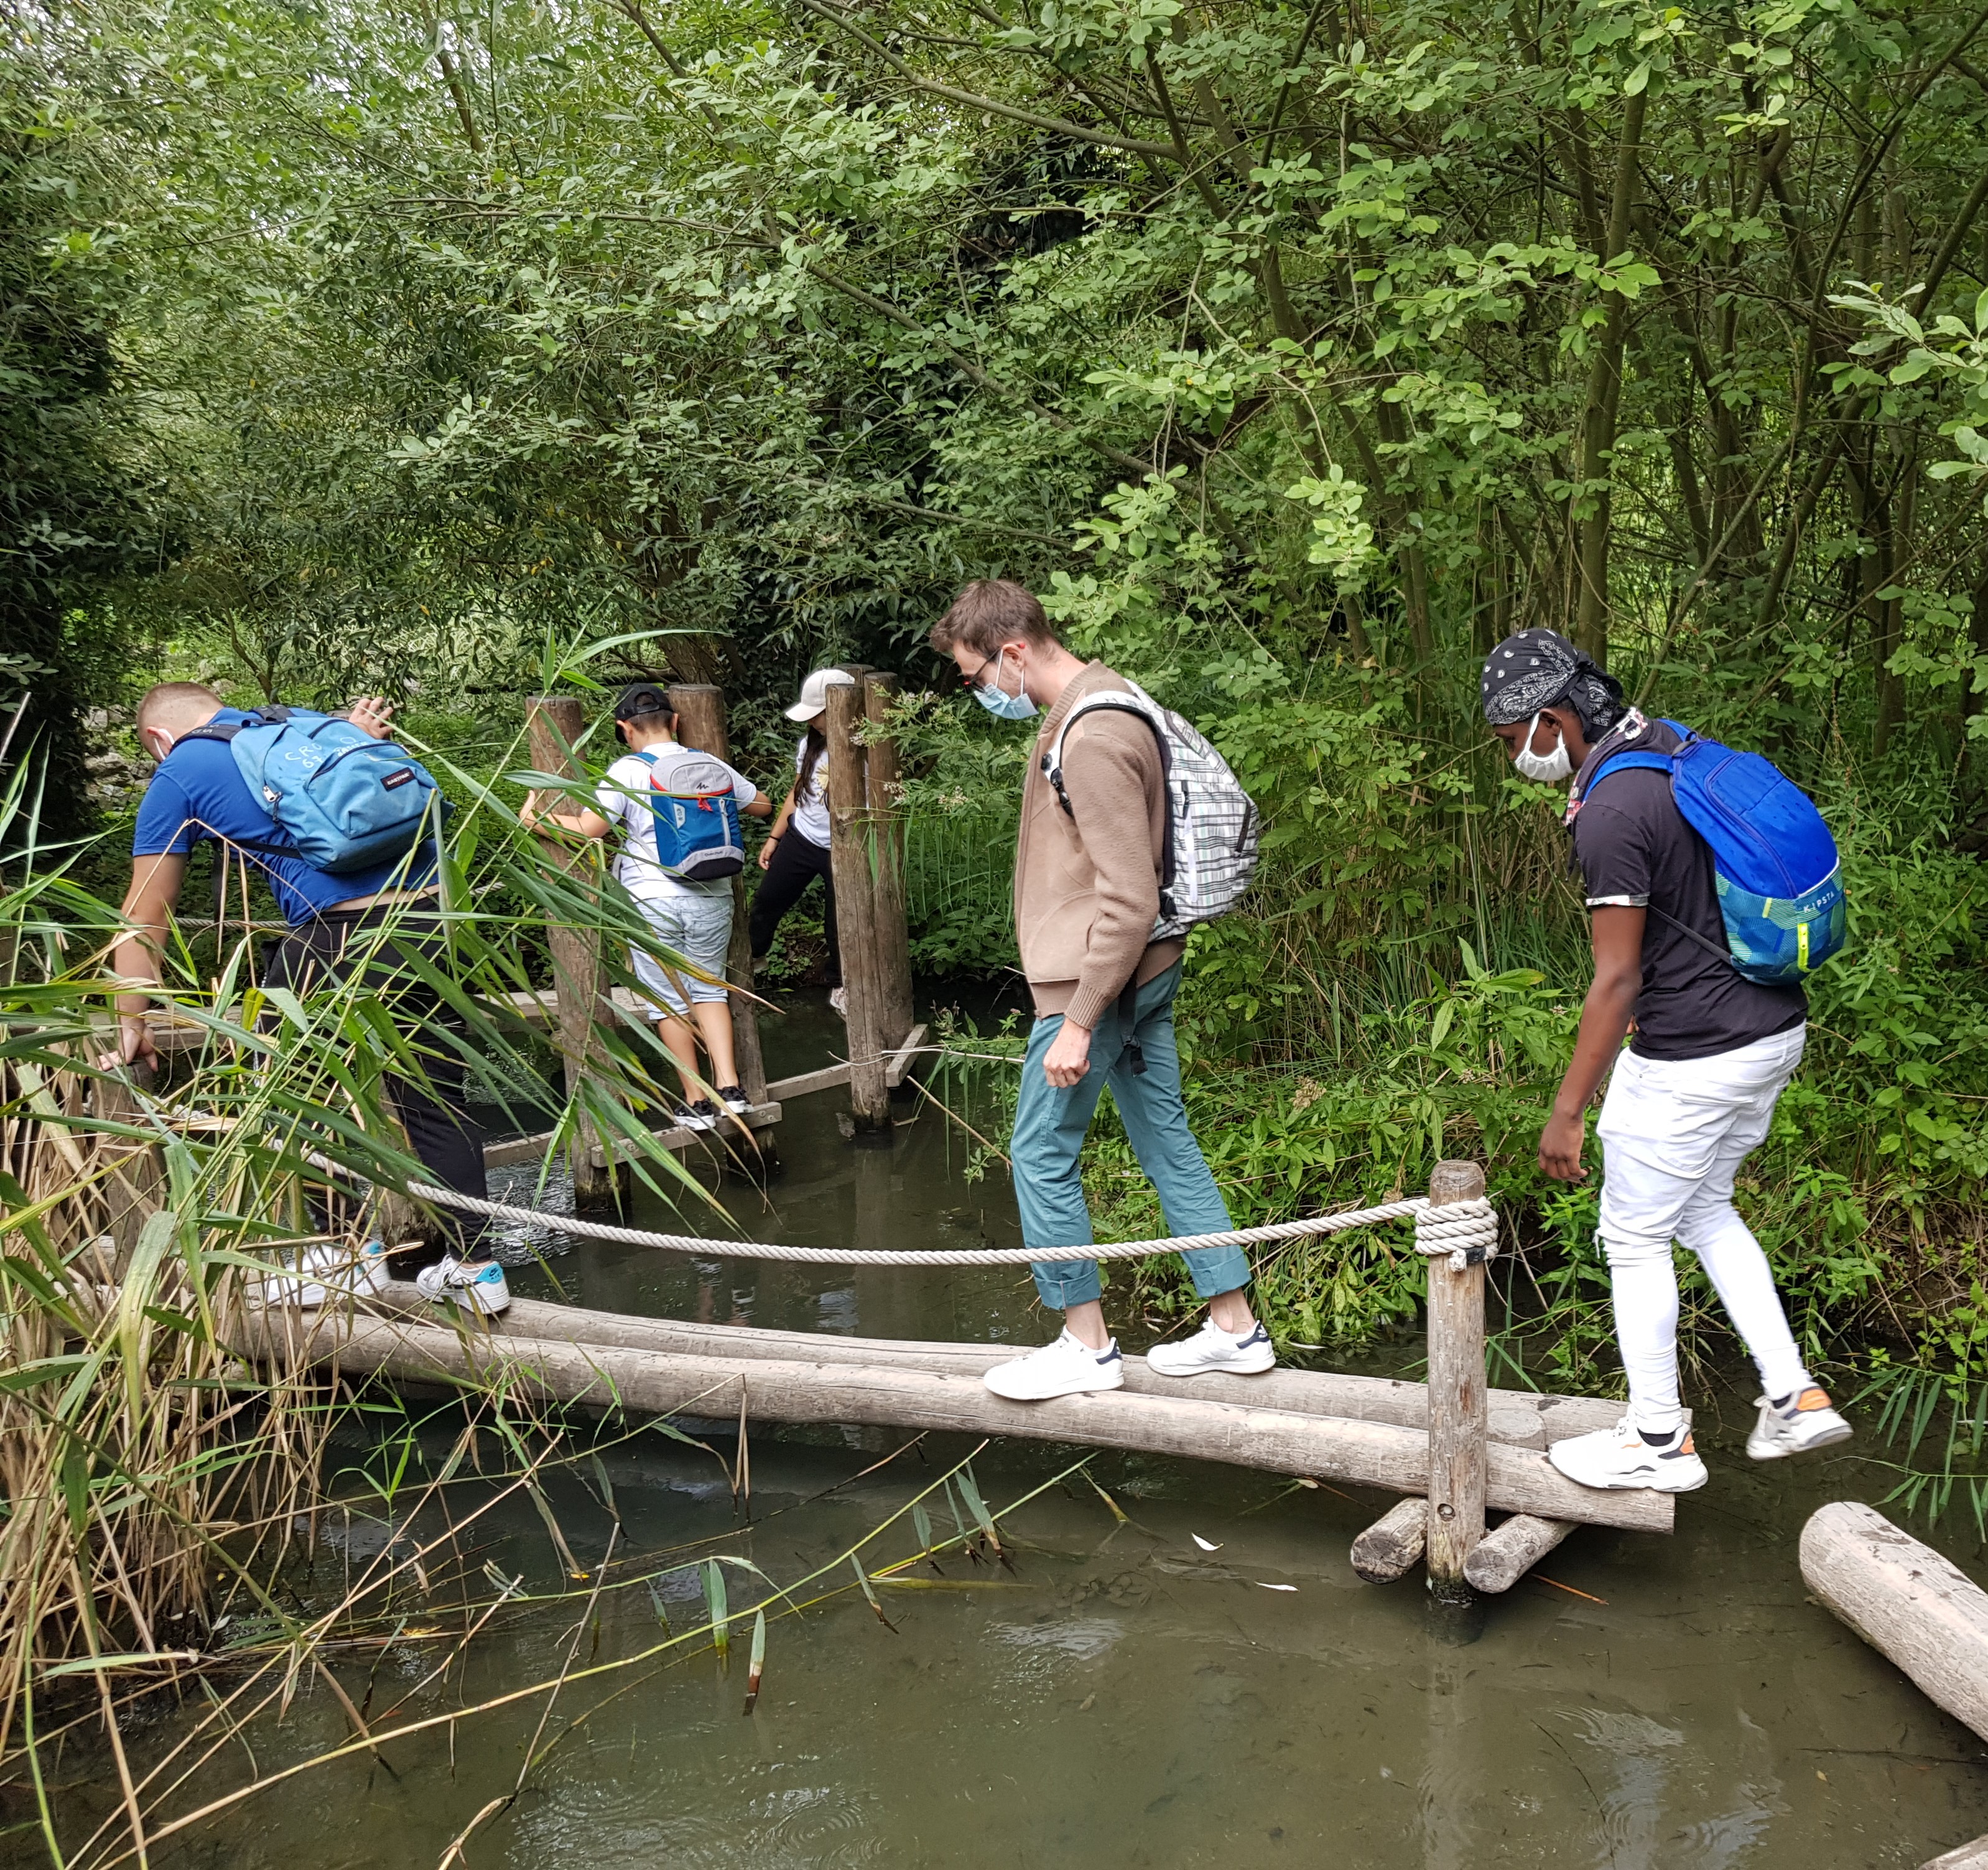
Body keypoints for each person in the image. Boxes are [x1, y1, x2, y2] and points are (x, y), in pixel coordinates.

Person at [1481, 628, 1852, 1492]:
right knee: (1704, 1208)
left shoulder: (1610, 813)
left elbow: (1616, 978)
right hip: (1771, 1033)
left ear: (1555, 718)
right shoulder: (1667, 747)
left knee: (1633, 1237)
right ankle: (1796, 1396)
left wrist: (1568, 1109)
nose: (1515, 760)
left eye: (1513, 742)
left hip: (1694, 1056)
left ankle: (1655, 1438)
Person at [929, 579, 1273, 1399]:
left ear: (1013, 651)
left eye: (976, 675)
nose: (981, 691)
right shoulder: (1096, 700)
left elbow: (1130, 897)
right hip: (1139, 974)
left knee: (1039, 1153)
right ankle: (1235, 1327)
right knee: (1167, 1141)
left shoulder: (1093, 734)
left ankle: (1084, 1344)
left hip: (1100, 984)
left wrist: (1080, 1019)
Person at [109, 681, 509, 1314]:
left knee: (297, 1097)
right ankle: (480, 1272)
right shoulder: (307, 726)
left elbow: (144, 918)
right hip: (430, 924)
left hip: (335, 936)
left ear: (159, 739)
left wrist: (131, 1019)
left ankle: (345, 1257)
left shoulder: (181, 768)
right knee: (435, 1100)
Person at [521, 683, 771, 1131]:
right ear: (675, 722)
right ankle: (731, 1090)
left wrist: (536, 819)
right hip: (712, 896)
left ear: (625, 729)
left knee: (668, 1000)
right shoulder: (709, 763)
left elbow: (590, 828)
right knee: (710, 989)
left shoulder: (628, 770)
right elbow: (761, 805)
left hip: (652, 900)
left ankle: (696, 1101)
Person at [750, 668, 852, 1016]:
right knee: (767, 900)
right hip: (804, 836)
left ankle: (842, 985)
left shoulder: (865, 743)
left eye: (818, 714)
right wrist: (776, 836)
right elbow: (799, 792)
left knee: (839, 919)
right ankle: (753, 958)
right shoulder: (810, 743)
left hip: (845, 846)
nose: (813, 722)